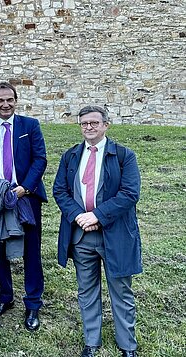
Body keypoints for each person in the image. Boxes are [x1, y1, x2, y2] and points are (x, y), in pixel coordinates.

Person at [53, 106, 141, 357]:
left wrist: (97, 216)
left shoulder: (124, 155)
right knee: (87, 290)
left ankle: (127, 346)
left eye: (94, 123)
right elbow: (60, 190)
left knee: (121, 291)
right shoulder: (70, 156)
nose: (88, 127)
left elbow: (130, 193)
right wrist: (79, 216)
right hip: (82, 236)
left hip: (115, 235)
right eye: (84, 124)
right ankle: (92, 342)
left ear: (106, 125)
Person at [0, 82, 47, 332]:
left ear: (16, 100)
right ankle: (5, 297)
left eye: (9, 99)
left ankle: (32, 303)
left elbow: (40, 158)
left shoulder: (29, 126)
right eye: (0, 100)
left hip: (26, 196)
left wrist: (25, 188)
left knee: (31, 249)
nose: (5, 104)